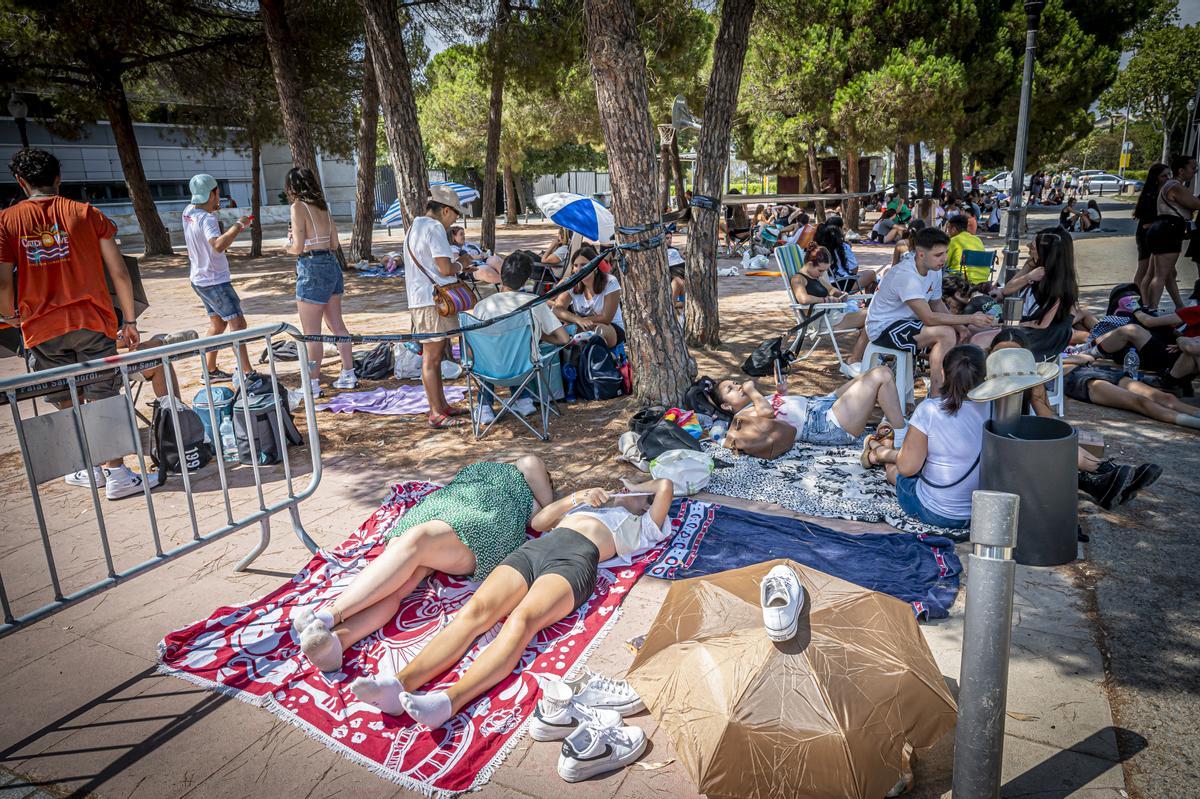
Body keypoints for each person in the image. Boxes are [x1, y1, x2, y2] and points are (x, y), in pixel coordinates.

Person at [348, 478, 676, 727]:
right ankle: (399, 685)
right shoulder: (586, 506)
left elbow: (664, 485)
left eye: (640, 498)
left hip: (574, 561)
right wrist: (581, 496)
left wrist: (635, 489)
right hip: (535, 552)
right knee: (475, 612)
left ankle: (450, 701)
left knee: (521, 621)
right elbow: (539, 522)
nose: (629, 494)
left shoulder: (642, 527)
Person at [293, 456, 557, 672]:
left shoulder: (527, 469)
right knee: (401, 583)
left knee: (416, 542)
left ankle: (327, 615)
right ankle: (337, 644)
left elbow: (546, 514)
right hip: (445, 511)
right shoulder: (513, 482)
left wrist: (562, 498)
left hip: (474, 523)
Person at [0, 148, 144, 499]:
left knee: (64, 396)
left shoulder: (6, 221)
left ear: (21, 183)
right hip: (93, 321)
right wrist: (129, 319)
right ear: (58, 178)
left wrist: (7, 315)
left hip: (40, 327)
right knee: (103, 395)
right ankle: (118, 474)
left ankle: (86, 468)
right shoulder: (86, 213)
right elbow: (119, 273)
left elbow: (3, 283)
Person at [981, 329, 1162, 508]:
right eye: (1000, 354)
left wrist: (1036, 393)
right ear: (990, 354)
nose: (1007, 361)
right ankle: (1107, 475)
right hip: (999, 448)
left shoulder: (1030, 380)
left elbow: (1048, 424)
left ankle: (1107, 478)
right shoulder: (983, 384)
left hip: (1023, 444)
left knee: (1054, 443)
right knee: (1049, 450)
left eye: (1015, 356)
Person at [866, 345, 989, 529]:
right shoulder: (998, 408)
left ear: (943, 373)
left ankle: (879, 452)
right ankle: (881, 452)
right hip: (982, 514)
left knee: (900, 475)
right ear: (985, 376)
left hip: (935, 512)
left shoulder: (930, 410)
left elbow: (908, 468)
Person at [865, 227, 995, 395]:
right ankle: (936, 394)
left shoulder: (933, 269)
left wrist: (961, 327)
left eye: (946, 252)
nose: (944, 258)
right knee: (946, 333)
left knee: (966, 332)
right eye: (938, 255)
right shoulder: (906, 275)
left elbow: (937, 304)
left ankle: (958, 387)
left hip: (907, 323)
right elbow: (929, 318)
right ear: (921, 255)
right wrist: (968, 318)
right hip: (883, 328)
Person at [469, 251, 571, 424]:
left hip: (488, 371)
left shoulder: (482, 306)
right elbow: (564, 339)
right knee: (519, 349)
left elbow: (472, 347)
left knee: (489, 352)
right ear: (527, 279)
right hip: (524, 369)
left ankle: (485, 407)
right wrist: (540, 335)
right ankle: (523, 400)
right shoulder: (534, 303)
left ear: (501, 275)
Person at [713, 364, 909, 449]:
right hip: (824, 424)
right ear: (726, 405)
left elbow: (782, 413)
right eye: (730, 389)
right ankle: (901, 435)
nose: (738, 386)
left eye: (735, 383)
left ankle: (894, 422)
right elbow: (766, 413)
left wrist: (782, 392)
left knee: (872, 373)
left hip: (820, 404)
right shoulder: (743, 418)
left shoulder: (755, 401)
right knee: (881, 375)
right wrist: (752, 390)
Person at [403, 184, 471, 428]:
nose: (455, 220)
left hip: (422, 299)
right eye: (455, 214)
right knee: (431, 358)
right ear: (445, 211)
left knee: (434, 355)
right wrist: (462, 264)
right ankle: (435, 411)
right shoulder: (434, 228)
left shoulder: (416, 226)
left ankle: (441, 405)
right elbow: (444, 268)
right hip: (432, 301)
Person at [284, 168, 356, 398]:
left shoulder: (297, 207)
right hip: (330, 264)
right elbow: (334, 244)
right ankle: (348, 373)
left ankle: (312, 385)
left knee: (311, 334)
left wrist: (288, 246)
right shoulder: (323, 206)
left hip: (311, 267)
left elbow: (297, 247)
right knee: (337, 326)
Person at [182, 173, 256, 382]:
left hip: (199, 279)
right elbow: (218, 245)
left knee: (218, 325)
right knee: (237, 324)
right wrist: (239, 226)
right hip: (215, 281)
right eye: (217, 194)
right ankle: (247, 373)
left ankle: (210, 370)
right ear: (213, 193)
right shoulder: (208, 219)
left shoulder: (188, 212)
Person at [975, 226, 1077, 361]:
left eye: (1033, 247)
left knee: (978, 340)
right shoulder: (1033, 265)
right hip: (1029, 326)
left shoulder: (1057, 284)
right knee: (973, 328)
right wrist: (1028, 276)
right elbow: (1007, 290)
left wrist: (1000, 323)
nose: (1028, 247)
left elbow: (1042, 325)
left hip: (1043, 337)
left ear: (1046, 253)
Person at [1145, 154, 1200, 309]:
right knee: (1161, 275)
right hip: (1168, 229)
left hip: (1163, 228)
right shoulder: (1175, 186)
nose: (1195, 171)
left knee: (1169, 274)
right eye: (1193, 168)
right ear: (1181, 170)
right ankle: (1151, 310)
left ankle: (1179, 307)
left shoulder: (1170, 185)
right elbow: (1196, 204)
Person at [552, 245, 624, 349]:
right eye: (575, 265)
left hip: (610, 328)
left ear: (594, 266)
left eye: (583, 265)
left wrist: (579, 321)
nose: (579, 269)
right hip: (582, 325)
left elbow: (606, 318)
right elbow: (557, 309)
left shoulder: (610, 282)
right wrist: (578, 320)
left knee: (598, 332)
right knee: (556, 332)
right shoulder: (572, 284)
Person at [1132, 163, 1170, 295]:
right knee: (1144, 269)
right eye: (1164, 176)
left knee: (1161, 271)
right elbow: (1146, 223)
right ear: (1156, 178)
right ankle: (1137, 298)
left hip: (1157, 235)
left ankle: (1148, 300)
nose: (1167, 178)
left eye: (1168, 175)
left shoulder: (1165, 192)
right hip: (1146, 235)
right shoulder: (1150, 195)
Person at [815, 220, 875, 292]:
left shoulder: (814, 250)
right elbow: (854, 270)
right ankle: (869, 302)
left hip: (821, 286)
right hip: (841, 285)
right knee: (872, 274)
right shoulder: (843, 247)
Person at [944, 215, 987, 283]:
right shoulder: (977, 239)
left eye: (948, 228)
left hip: (962, 280)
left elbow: (944, 262)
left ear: (953, 229)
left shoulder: (953, 241)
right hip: (983, 279)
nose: (947, 232)